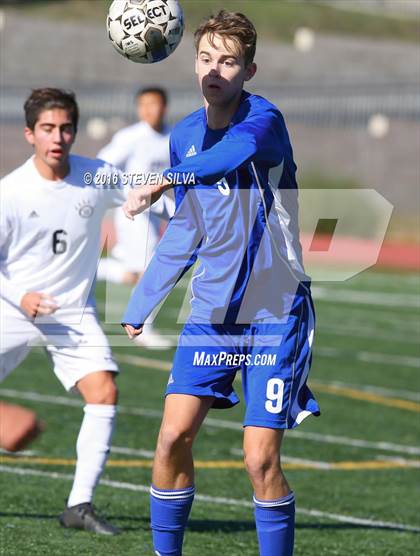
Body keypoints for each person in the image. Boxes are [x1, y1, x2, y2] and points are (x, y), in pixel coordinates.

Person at [122, 10, 320, 556]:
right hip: (212, 312)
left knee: (259, 460)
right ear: (193, 63)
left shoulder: (264, 120)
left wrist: (163, 180)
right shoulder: (183, 134)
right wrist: (143, 302)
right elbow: (188, 226)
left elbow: (230, 156)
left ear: (249, 70)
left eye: (228, 61)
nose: (215, 70)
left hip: (275, 313)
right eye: (206, 58)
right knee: (170, 439)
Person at [0, 88, 127, 535]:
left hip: (71, 312)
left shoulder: (97, 177)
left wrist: (170, 192)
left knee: (104, 392)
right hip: (11, 308)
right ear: (30, 134)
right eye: (48, 129)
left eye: (66, 128)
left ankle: (79, 505)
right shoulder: (10, 192)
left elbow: (140, 197)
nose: (58, 137)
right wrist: (21, 297)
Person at [97, 87, 174, 349]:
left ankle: (94, 269)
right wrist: (122, 193)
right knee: (153, 267)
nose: (150, 110)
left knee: (135, 272)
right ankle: (143, 328)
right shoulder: (130, 137)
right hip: (133, 212)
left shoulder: (172, 138)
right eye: (144, 105)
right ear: (139, 108)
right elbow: (102, 165)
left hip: (157, 211)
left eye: (155, 104)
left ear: (165, 107)